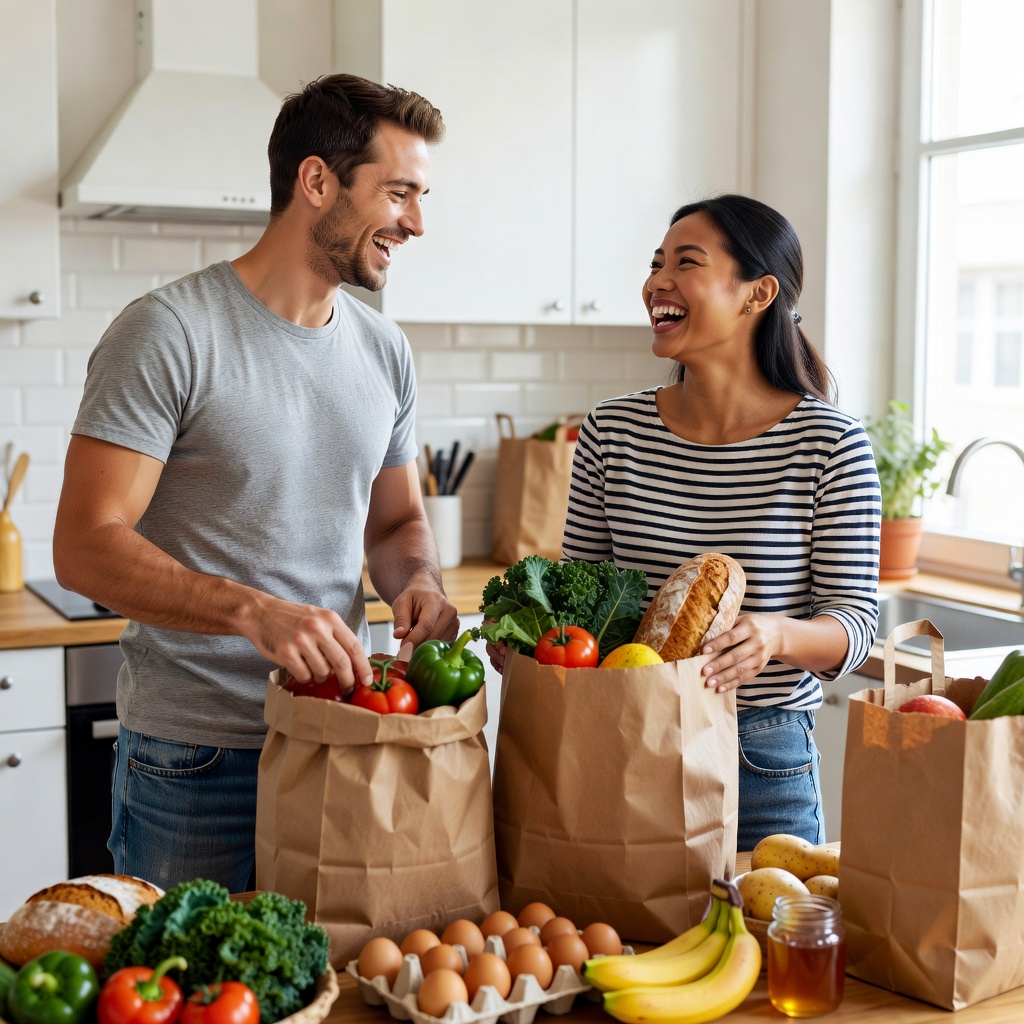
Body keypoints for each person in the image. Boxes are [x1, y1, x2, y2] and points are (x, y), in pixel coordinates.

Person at [52, 74, 458, 892]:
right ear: (317, 182)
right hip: (196, 757)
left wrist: (417, 579)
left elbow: (394, 523)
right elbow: (85, 548)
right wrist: (249, 609)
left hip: (337, 738)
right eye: (400, 193)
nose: (416, 223)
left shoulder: (385, 351)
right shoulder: (168, 333)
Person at [559, 194, 880, 850]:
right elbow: (580, 594)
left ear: (756, 294)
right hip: (625, 733)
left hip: (760, 753)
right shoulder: (611, 430)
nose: (657, 283)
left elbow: (855, 624)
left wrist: (775, 634)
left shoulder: (829, 443)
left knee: (761, 947)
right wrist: (539, 641)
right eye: (656, 264)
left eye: (687, 262)